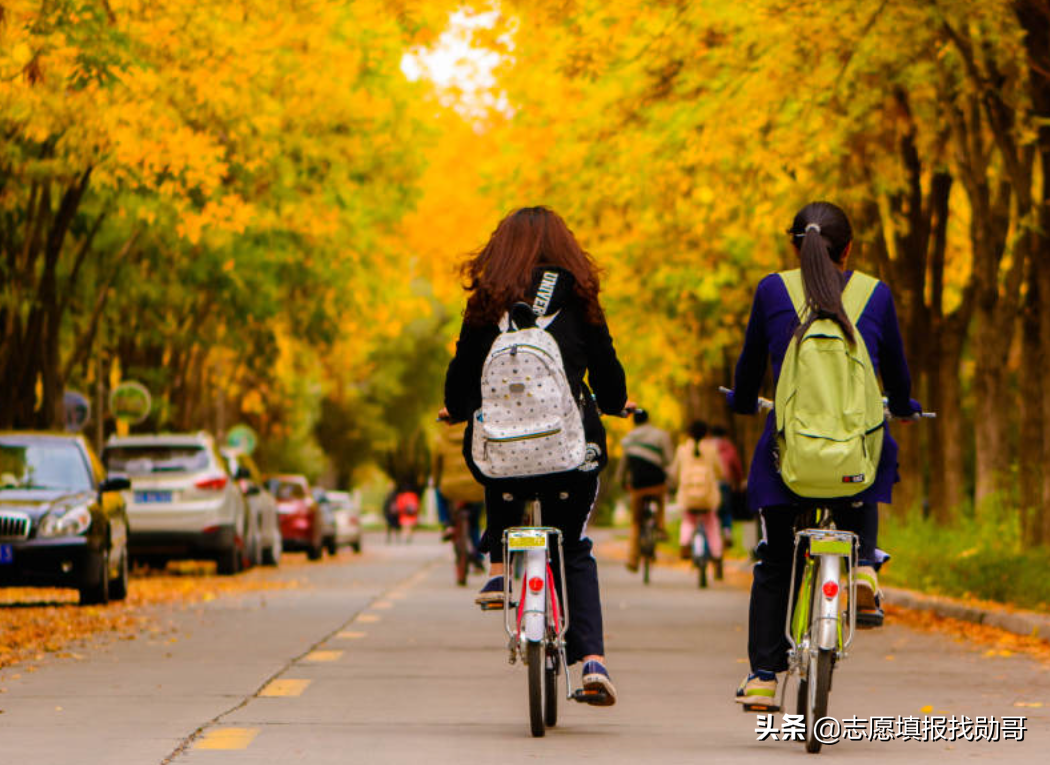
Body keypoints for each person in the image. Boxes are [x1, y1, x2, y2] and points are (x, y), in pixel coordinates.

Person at [727, 201, 921, 707]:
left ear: (795, 244)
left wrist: (744, 401)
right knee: (874, 458)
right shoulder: (874, 294)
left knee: (773, 562)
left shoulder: (773, 290)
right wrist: (903, 406)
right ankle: (862, 569)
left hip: (788, 458)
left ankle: (764, 677)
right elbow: (896, 373)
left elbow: (749, 366)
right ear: (849, 248)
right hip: (854, 457)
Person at [442, 206, 630, 706]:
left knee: (499, 467)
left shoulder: (487, 301)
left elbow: (462, 371)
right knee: (571, 545)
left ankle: (503, 565)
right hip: (572, 452)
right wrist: (614, 404)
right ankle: (592, 660)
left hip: (501, 457)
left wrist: (456, 409)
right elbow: (608, 373)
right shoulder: (580, 297)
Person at [615, 409, 674, 571]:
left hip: (637, 485)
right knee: (661, 500)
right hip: (657, 484)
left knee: (635, 522)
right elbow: (668, 460)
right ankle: (661, 527)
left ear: (634, 421)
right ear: (648, 420)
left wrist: (621, 481)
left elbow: (624, 465)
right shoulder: (661, 435)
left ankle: (633, 560)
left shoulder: (628, 439)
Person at [669, 420, 725, 577]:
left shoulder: (682, 449)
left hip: (688, 498)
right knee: (712, 526)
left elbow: (674, 472)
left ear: (688, 433)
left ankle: (684, 544)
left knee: (688, 521)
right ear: (707, 433)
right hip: (708, 498)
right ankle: (717, 558)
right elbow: (720, 471)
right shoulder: (712, 449)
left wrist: (675, 481)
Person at [433, 421, 485, 568]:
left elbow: (436, 464)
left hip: (451, 488)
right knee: (474, 524)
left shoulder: (441, 439)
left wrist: (437, 481)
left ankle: (446, 523)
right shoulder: (477, 435)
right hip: (476, 488)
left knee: (438, 491)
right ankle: (478, 555)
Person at [710, 424, 745, 545]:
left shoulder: (707, 446)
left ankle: (713, 538)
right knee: (725, 510)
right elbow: (736, 467)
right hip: (724, 483)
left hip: (709, 483)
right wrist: (739, 481)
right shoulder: (729, 447)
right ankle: (727, 532)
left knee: (712, 512)